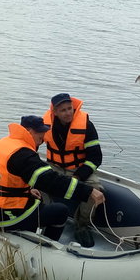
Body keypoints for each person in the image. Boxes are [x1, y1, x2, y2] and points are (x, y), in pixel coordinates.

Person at [0, 115, 105, 241]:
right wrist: (88, 191)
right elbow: (51, 181)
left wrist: (27, 191)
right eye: (39, 132)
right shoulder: (24, 154)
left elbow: (3, 178)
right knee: (61, 211)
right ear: (29, 131)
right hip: (9, 217)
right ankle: (47, 244)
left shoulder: (3, 144)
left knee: (38, 199)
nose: (43, 136)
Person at [42, 93, 103, 247]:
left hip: (79, 168)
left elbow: (96, 158)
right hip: (55, 166)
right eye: (63, 110)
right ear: (55, 112)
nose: (68, 112)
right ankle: (44, 218)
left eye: (70, 108)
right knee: (39, 182)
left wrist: (78, 176)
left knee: (94, 190)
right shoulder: (45, 125)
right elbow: (31, 144)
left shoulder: (86, 126)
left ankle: (82, 226)